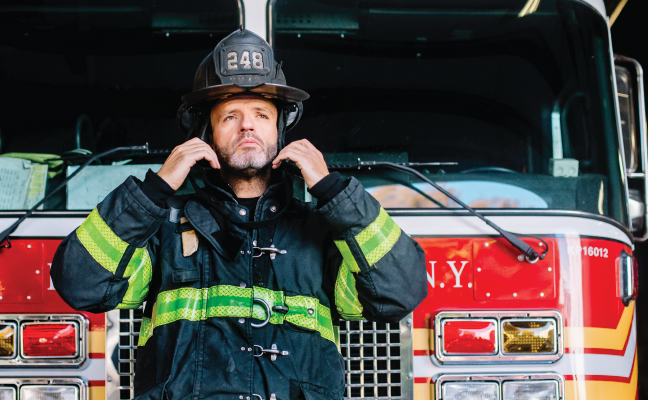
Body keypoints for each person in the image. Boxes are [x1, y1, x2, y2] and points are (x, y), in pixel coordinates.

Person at [51, 28, 427, 400]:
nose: (247, 124)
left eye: (262, 114)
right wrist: (155, 190)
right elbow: (81, 284)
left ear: (280, 130)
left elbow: (399, 292)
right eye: (230, 115)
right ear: (206, 134)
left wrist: (334, 192)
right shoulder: (161, 226)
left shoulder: (325, 231)